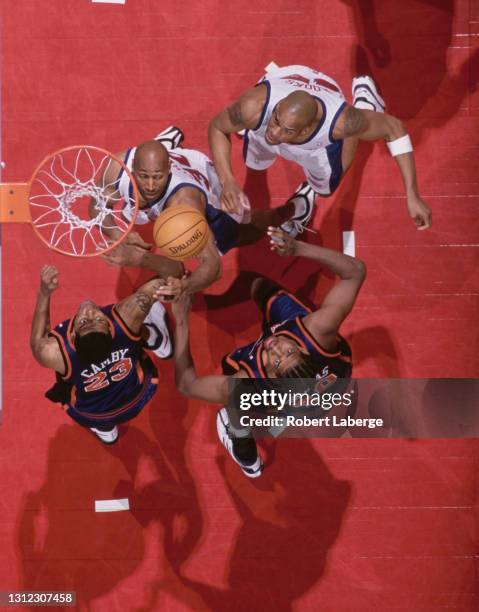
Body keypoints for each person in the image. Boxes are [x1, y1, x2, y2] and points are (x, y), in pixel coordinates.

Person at [168, 228, 366, 477]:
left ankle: (244, 449)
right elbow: (355, 272)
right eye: (288, 351)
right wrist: (298, 249)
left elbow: (187, 384)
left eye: (275, 362)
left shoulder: (247, 381)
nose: (276, 348)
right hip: (327, 389)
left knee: (235, 402)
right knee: (259, 286)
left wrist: (181, 318)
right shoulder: (318, 331)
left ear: (271, 376)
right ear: (304, 349)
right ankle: (284, 415)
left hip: (290, 400)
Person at [208, 62, 432, 230]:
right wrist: (227, 180)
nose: (274, 133)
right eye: (276, 121)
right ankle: (269, 105)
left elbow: (394, 128)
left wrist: (412, 194)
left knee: (325, 188)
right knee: (255, 162)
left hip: (326, 109)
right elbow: (217, 127)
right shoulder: (253, 106)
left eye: (287, 130)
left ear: (305, 130)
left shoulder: (341, 123)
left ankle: (365, 103)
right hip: (286, 78)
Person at [100, 127, 314, 301]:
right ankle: (166, 149)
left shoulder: (187, 206)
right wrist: (118, 235)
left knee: (244, 230)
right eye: (143, 176)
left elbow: (212, 264)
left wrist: (185, 285)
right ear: (132, 169)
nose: (149, 185)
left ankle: (296, 207)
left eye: (157, 177)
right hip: (169, 179)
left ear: (168, 171)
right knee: (135, 211)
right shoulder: (116, 168)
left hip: (200, 178)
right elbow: (98, 207)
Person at [30, 265, 173, 444]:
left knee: (77, 397)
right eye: (95, 319)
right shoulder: (126, 317)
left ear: (73, 334)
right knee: (134, 330)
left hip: (95, 414)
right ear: (108, 327)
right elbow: (172, 272)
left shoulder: (54, 352)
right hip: (138, 395)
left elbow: (37, 342)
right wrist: (141, 259)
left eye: (86, 321)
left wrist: (45, 292)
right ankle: (158, 342)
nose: (89, 311)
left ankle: (106, 430)